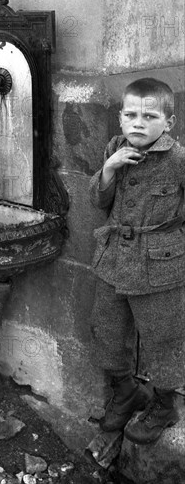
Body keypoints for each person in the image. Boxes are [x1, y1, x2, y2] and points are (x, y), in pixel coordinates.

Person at [89, 78, 185, 444]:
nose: (138, 123)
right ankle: (127, 391)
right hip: (113, 259)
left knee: (164, 336)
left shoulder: (177, 159)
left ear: (169, 123)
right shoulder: (115, 147)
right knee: (108, 330)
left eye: (149, 115)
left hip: (159, 264)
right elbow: (99, 202)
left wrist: (175, 243)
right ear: (119, 118)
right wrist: (109, 168)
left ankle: (164, 405)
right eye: (130, 114)